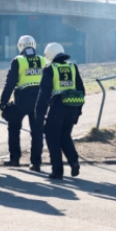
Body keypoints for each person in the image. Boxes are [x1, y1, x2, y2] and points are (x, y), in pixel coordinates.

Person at [35, 43, 84, 180]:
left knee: (52, 137)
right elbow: (81, 89)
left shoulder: (50, 68)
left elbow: (44, 94)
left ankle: (57, 171)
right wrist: (78, 111)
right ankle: (73, 161)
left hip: (58, 107)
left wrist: (39, 114)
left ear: (49, 55)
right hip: (72, 106)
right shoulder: (73, 67)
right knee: (65, 135)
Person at [0, 35, 46, 171]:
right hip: (40, 98)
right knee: (37, 132)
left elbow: (10, 83)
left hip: (23, 99)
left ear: (20, 46)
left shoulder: (17, 60)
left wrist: (3, 102)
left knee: (14, 127)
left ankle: (14, 158)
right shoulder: (43, 60)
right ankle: (36, 163)